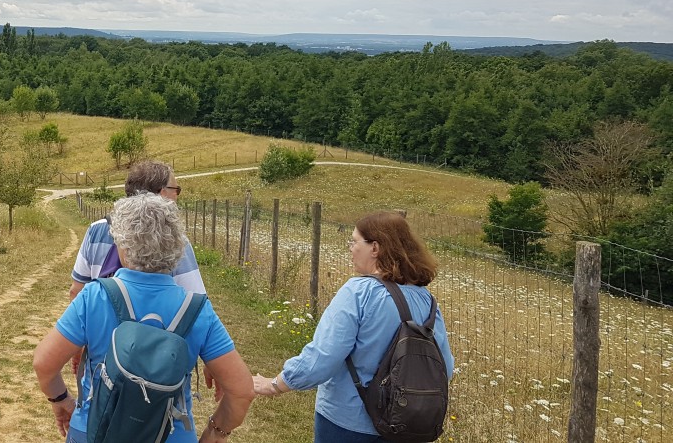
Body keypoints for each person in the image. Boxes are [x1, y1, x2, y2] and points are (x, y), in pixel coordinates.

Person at [34, 193, 255, 442]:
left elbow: (44, 363)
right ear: (177, 247)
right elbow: (242, 390)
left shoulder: (95, 296)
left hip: (95, 430)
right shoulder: (196, 309)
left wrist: (61, 400)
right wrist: (216, 432)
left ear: (124, 247)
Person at [252, 211, 455, 442]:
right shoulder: (427, 301)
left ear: (375, 248)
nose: (350, 248)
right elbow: (444, 367)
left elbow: (322, 358)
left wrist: (275, 385)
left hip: (349, 423)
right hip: (405, 425)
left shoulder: (358, 292)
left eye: (354, 241)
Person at [69, 160, 203, 298]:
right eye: (176, 190)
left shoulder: (96, 230)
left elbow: (76, 290)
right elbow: (195, 300)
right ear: (163, 194)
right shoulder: (174, 239)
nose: (177, 195)